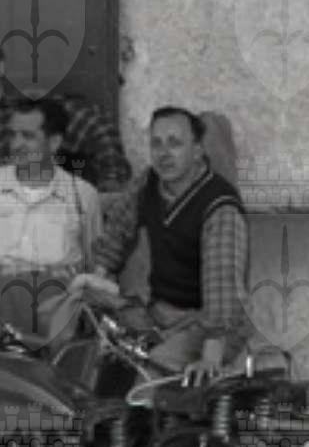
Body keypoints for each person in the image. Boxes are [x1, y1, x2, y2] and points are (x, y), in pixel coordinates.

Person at [76, 106, 249, 375]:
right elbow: (117, 230)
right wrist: (97, 280)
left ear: (197, 150)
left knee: (153, 369)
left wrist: (209, 359)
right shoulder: (149, 182)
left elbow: (222, 294)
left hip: (206, 324)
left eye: (175, 143)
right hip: (157, 314)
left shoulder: (219, 206)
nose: (164, 153)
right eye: (156, 143)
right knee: (90, 344)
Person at [0, 96, 101, 337]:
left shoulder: (82, 195)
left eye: (28, 136)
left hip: (56, 325)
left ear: (54, 142)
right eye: (13, 135)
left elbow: (94, 269)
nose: (17, 144)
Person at [0, 30, 132, 208]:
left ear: (0, 67)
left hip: (39, 219)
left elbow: (96, 127)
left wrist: (109, 188)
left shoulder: (29, 109)